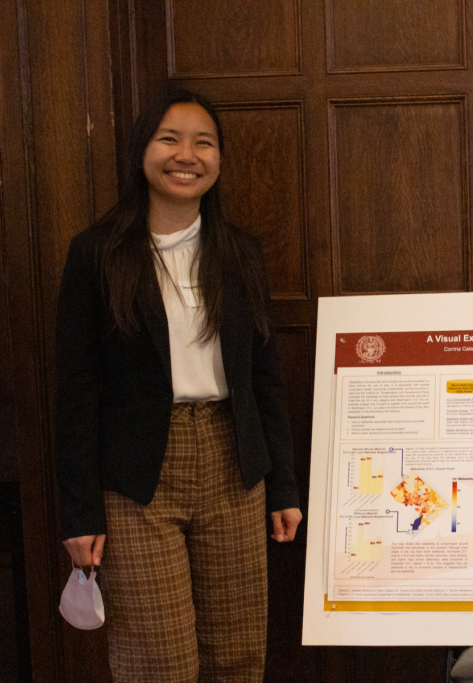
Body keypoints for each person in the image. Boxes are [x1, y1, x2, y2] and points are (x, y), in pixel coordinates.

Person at [55, 87, 302, 681]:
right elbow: (76, 390)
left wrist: (284, 486)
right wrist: (79, 511)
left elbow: (263, 375)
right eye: (169, 138)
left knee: (237, 655)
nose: (186, 154)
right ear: (142, 150)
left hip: (233, 463)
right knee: (157, 659)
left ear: (217, 160)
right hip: (138, 475)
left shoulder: (239, 252)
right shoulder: (97, 254)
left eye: (203, 142)